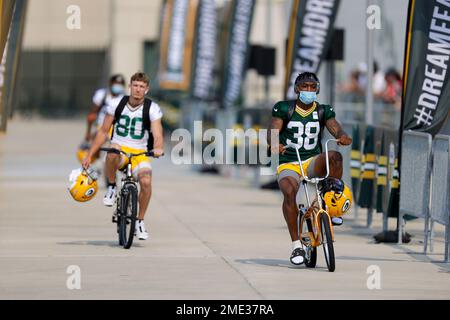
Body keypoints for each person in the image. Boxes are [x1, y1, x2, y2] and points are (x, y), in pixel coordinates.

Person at [267, 72, 353, 265]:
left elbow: (335, 128)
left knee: (335, 157)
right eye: (304, 86)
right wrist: (274, 143)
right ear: (297, 89)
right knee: (289, 191)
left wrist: (343, 136)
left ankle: (331, 206)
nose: (308, 90)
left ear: (317, 89)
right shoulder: (284, 107)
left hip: (312, 160)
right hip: (290, 161)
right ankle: (296, 245)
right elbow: (273, 129)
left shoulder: (323, 110)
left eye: (312, 87)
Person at [82, 72, 164, 240]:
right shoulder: (116, 103)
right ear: (130, 86)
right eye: (135, 85)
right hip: (121, 150)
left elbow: (157, 134)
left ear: (146, 89)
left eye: (142, 87)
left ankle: (140, 221)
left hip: (140, 153)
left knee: (146, 182)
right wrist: (89, 155)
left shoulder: (152, 108)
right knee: (113, 150)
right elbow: (103, 131)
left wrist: (158, 148)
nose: (138, 90)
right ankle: (112, 187)